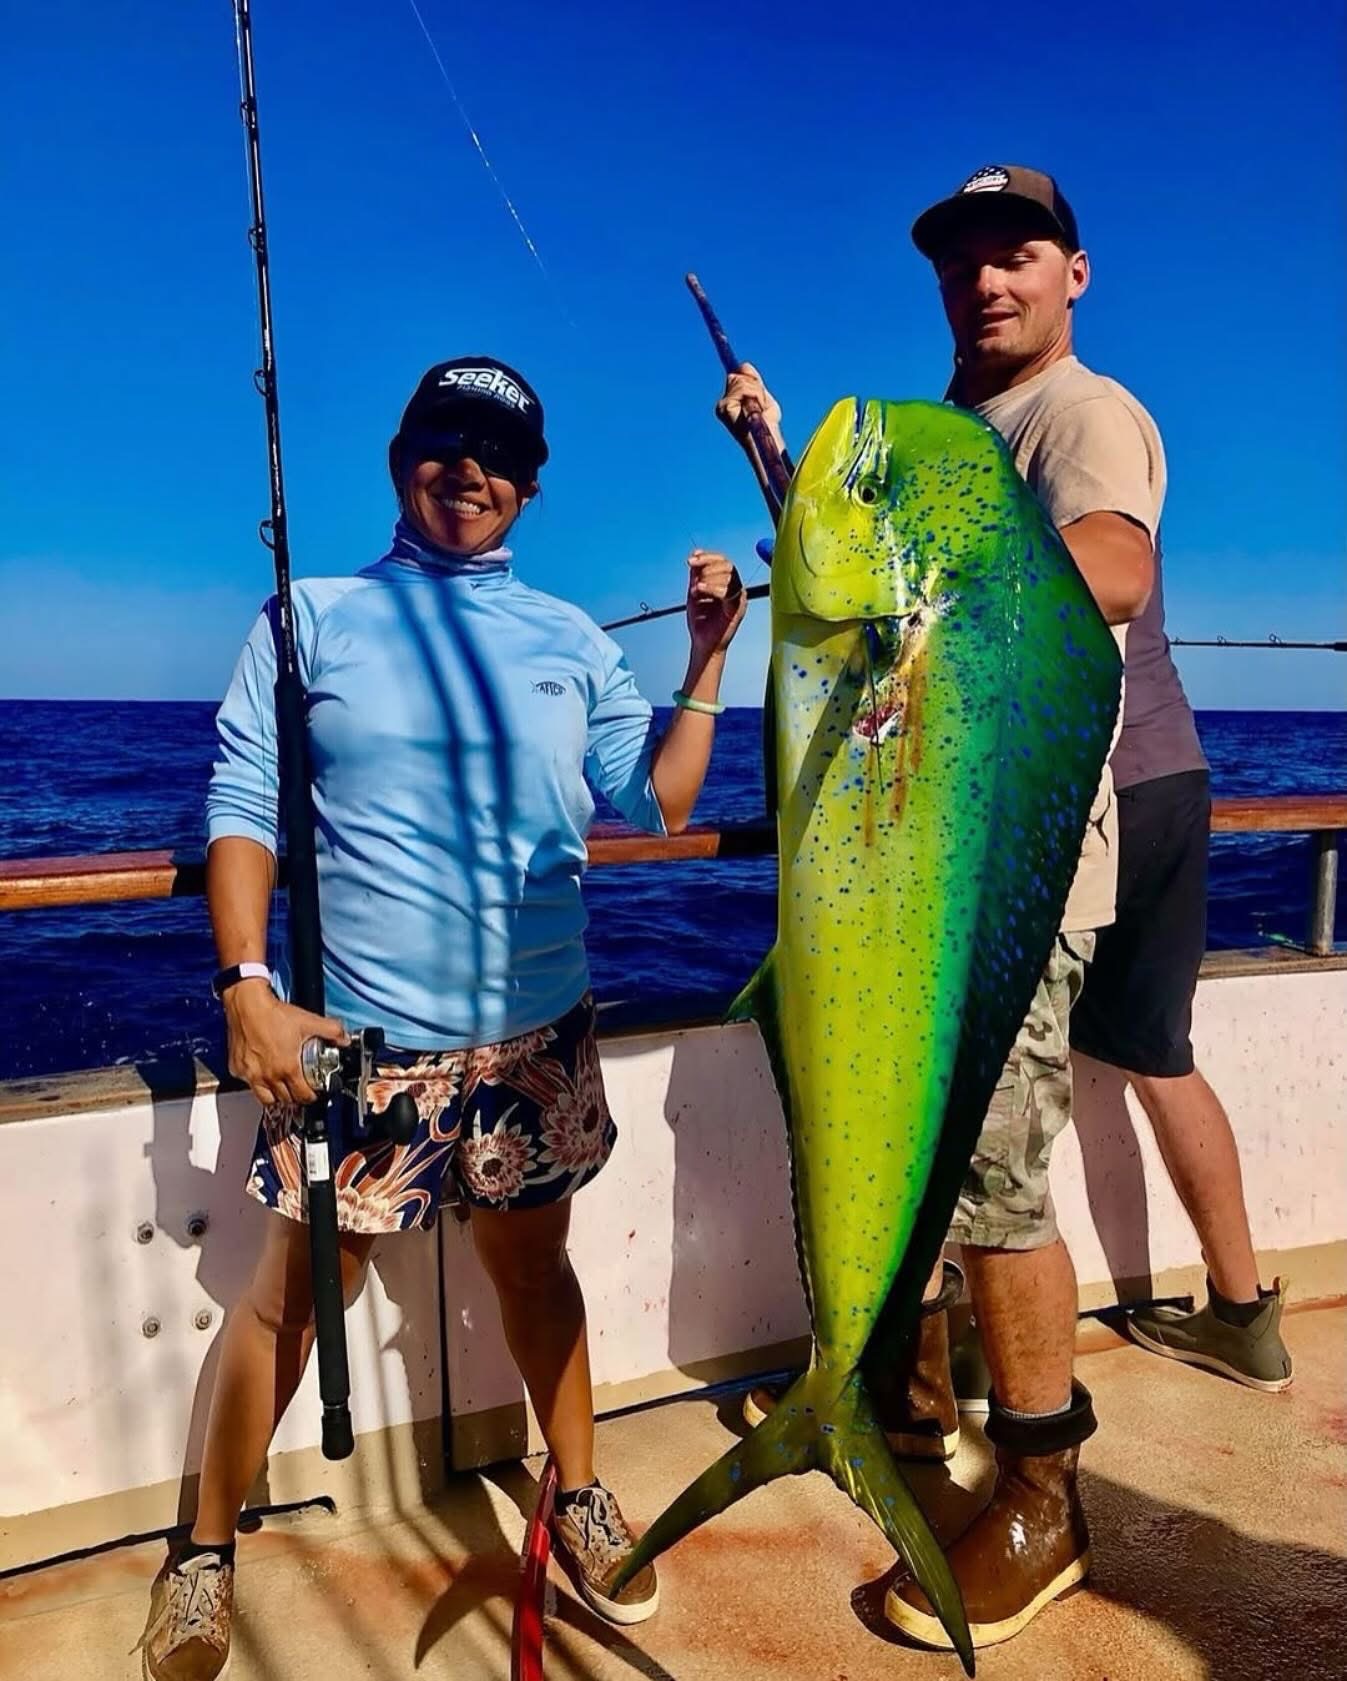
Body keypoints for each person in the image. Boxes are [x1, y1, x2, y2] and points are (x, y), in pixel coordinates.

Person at [143, 354, 746, 1681]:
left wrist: (709, 657)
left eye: (496, 452)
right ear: (399, 456)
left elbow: (653, 799)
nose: (465, 469)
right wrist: (246, 985)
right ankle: (202, 1554)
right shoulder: (309, 616)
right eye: (441, 441)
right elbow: (244, 803)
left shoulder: (577, 644)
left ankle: (576, 1494)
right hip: (360, 1049)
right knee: (289, 1306)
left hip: (535, 1037)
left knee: (536, 1276)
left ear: (530, 485)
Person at [719, 166, 1160, 1651]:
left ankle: (1043, 1490)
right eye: (963, 260)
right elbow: (868, 608)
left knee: (1001, 1187)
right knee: (926, 1152)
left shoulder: (1079, 417)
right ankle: (894, 1398)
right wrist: (785, 470)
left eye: (1017, 253)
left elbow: (1114, 565)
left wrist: (959, 591)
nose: (987, 280)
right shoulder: (952, 439)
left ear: (1073, 274)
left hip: (1000, 887)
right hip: (907, 866)